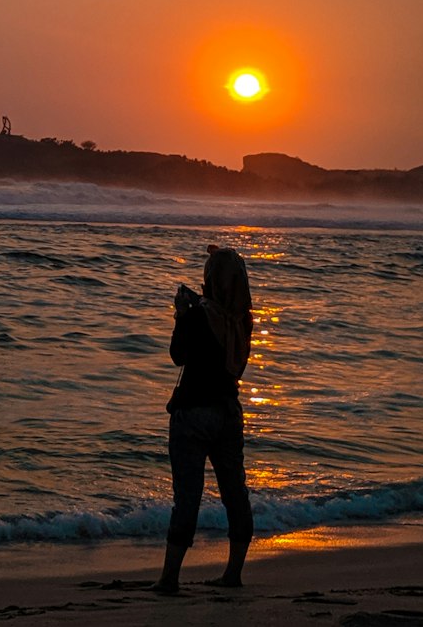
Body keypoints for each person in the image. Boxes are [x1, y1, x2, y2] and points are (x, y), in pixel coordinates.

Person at [153, 244, 255, 594]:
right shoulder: (243, 321)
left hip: (194, 412)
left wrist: (183, 313)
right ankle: (233, 573)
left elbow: (178, 355)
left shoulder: (199, 315)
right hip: (229, 413)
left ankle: (169, 578)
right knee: (235, 494)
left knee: (188, 496)